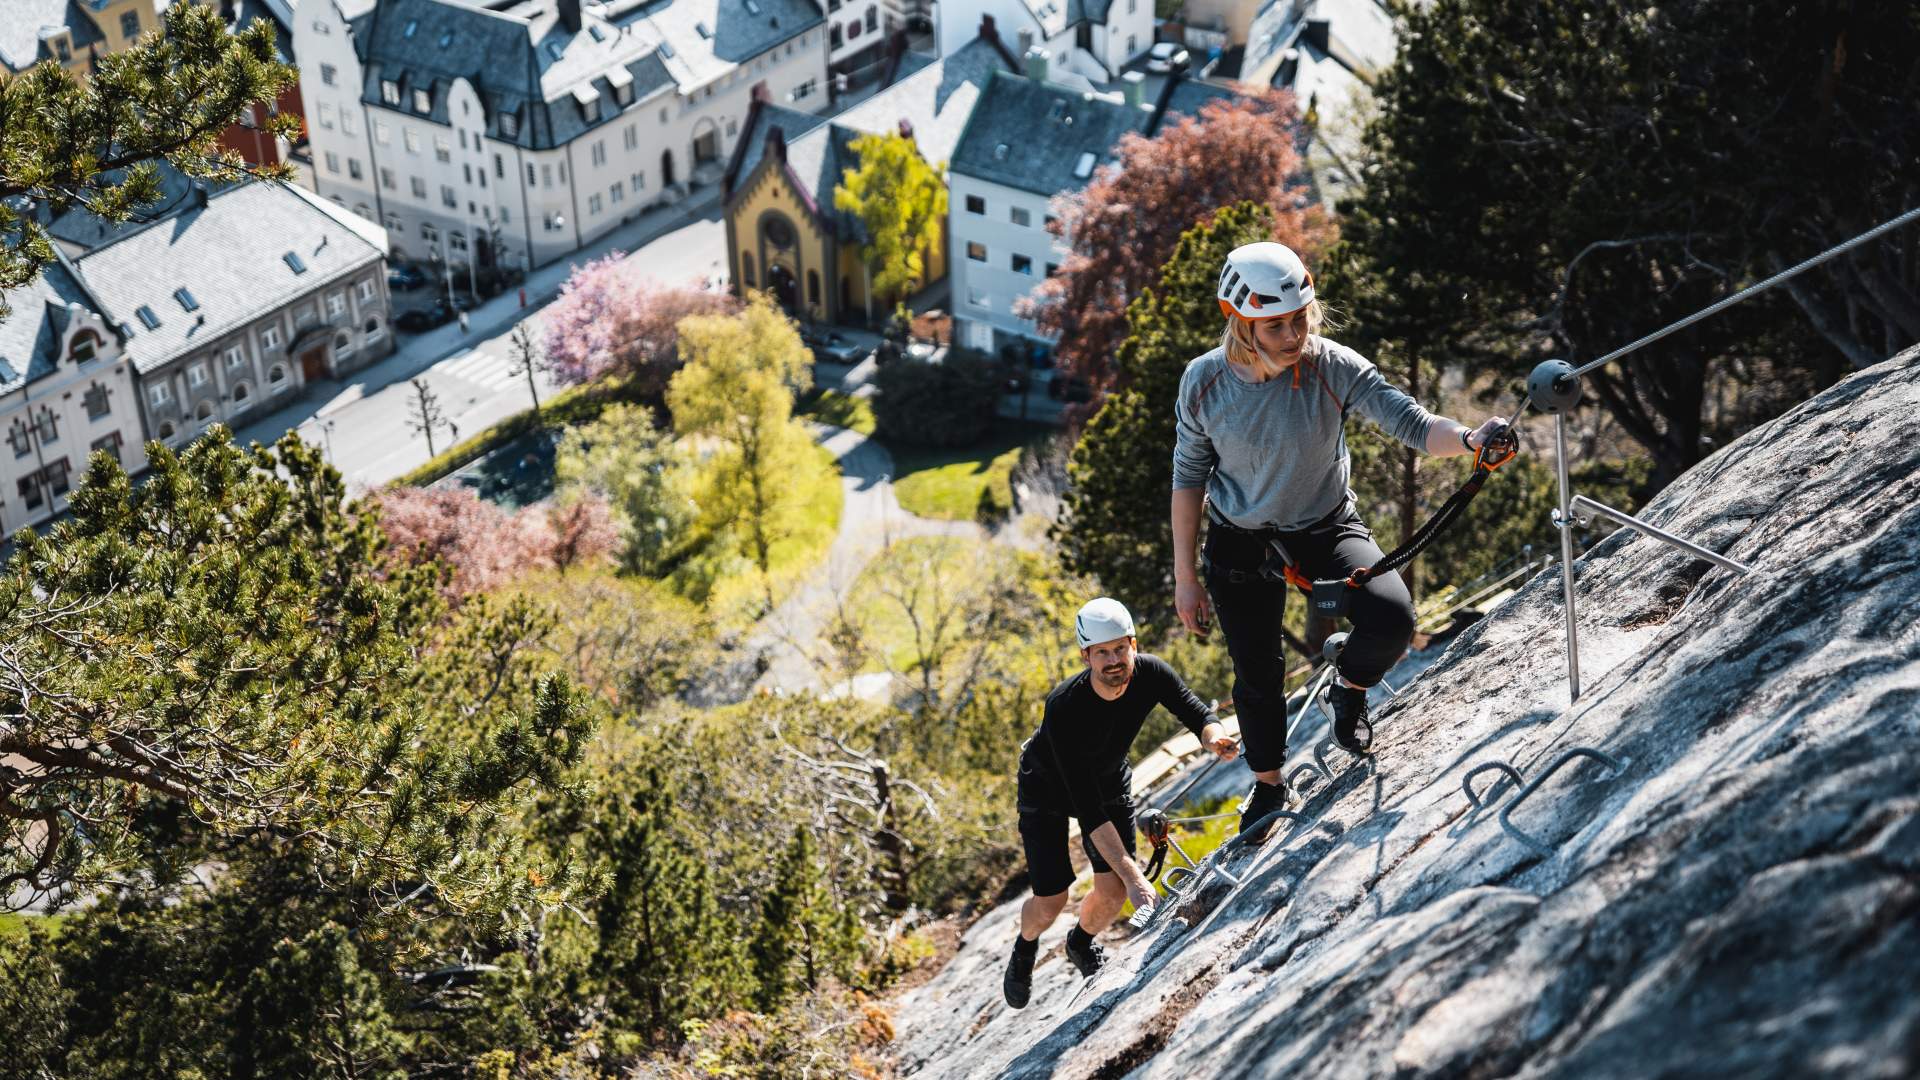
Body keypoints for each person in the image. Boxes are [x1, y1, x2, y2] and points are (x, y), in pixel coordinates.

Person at [1170, 242, 1508, 835]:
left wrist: (1470, 440)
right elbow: (1189, 477)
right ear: (1240, 322)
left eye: (1300, 319)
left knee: (1393, 618)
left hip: (1323, 528)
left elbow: (1410, 421)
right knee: (1257, 672)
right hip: (1239, 542)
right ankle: (1268, 787)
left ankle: (1347, 689)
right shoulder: (1204, 382)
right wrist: (1186, 578)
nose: (1293, 335)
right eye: (1276, 325)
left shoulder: (1330, 366)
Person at [1002, 597, 1238, 1009]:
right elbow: (1088, 809)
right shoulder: (1065, 706)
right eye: (1102, 653)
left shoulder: (1151, 672)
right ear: (1086, 656)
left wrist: (1214, 738)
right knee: (1051, 901)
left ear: (1133, 644)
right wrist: (1137, 880)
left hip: (1108, 777)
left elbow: (1197, 713)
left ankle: (1080, 943)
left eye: (1119, 648)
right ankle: (1025, 948)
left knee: (1111, 894)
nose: (1113, 660)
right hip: (1047, 789)